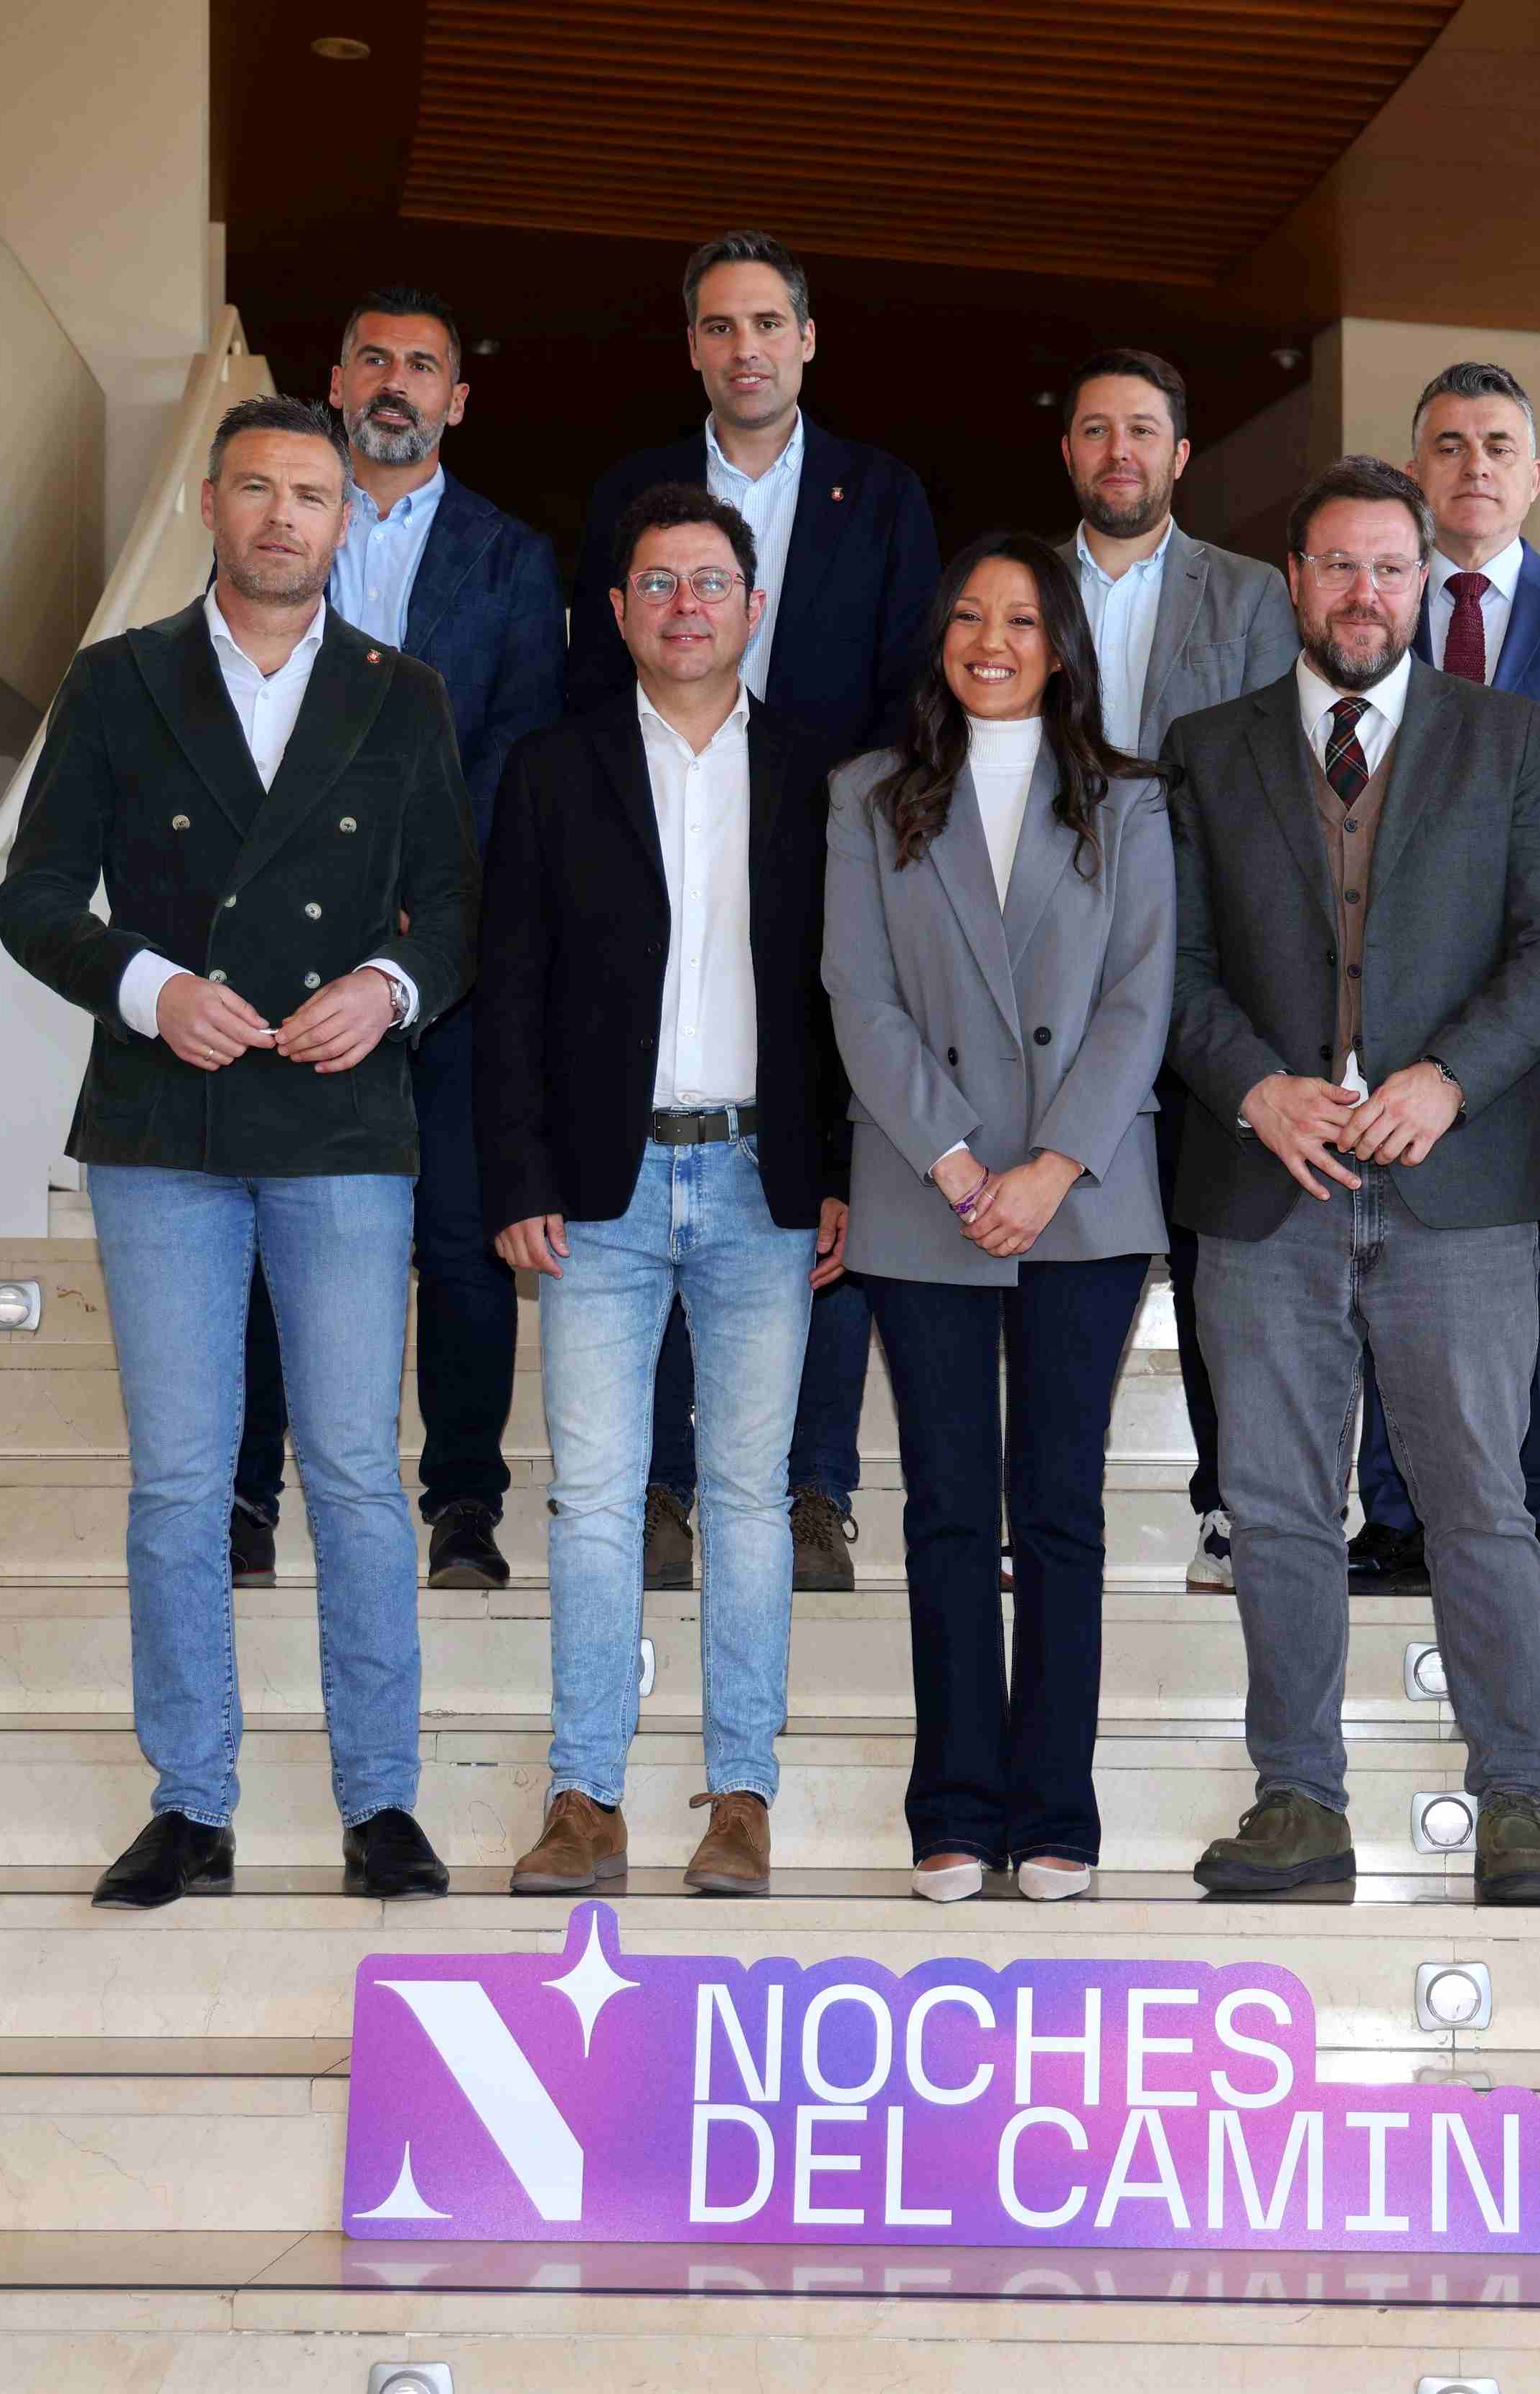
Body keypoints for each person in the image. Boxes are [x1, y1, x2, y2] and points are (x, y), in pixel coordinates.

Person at [0, 393, 474, 1909]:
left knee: (351, 1474)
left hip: (337, 1122)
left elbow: (454, 910)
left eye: (312, 495)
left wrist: (385, 991)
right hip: (164, 1122)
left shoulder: (407, 697)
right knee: (181, 1482)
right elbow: (37, 894)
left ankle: (378, 1805)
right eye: (256, 488)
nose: (282, 516)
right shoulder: (119, 682)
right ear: (209, 505)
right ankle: (191, 1801)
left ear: (348, 522)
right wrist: (151, 986)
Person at [1164, 456, 1540, 1904]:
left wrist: (1447, 1079)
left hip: (1453, 1187)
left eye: (1391, 568)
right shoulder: (1206, 749)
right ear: (1293, 580)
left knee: (1479, 1500)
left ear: (1429, 580)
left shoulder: (1507, 735)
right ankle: (1296, 1801)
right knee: (1279, 1506)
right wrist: (1248, 1084)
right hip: (1264, 1185)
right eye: (1337, 566)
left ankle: (1514, 1807)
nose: (1365, 594)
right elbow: (1169, 966)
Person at [478, 484, 850, 1900]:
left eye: (712, 582)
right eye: (658, 584)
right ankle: (584, 1798)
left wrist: (846, 1177)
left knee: (750, 1501)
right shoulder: (548, 771)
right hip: (598, 1189)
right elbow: (507, 990)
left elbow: (849, 1000)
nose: (686, 605)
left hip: (766, 1180)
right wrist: (516, 1171)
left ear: (753, 609)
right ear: (617, 612)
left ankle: (738, 1797)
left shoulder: (826, 777)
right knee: (590, 1500)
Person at [565, 230, 938, 1600]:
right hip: (661, 855)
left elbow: (917, 693)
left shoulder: (884, 495)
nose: (746, 348)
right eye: (719, 327)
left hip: (829, 858)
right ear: (693, 349)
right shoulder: (630, 490)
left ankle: (815, 1490)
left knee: (813, 1171)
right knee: (657, 1150)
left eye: (768, 323)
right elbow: (585, 691)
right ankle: (665, 1484)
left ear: (808, 338)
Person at [826, 532, 1174, 1904]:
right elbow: (858, 994)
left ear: (1061, 645)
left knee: (1064, 1510)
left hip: (1083, 1199)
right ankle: (955, 1805)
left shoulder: (1130, 803)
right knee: (950, 1510)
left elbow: (1141, 999)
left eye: (1022, 620)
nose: (993, 640)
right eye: (969, 616)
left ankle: (1060, 1810)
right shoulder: (870, 795)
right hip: (929, 1197)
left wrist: (1049, 1169)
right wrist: (961, 1162)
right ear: (939, 640)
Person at [228, 285, 562, 1596]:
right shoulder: (273, 537)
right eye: (374, 357)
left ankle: (465, 1509)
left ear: (457, 398)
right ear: (337, 375)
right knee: (269, 1232)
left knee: (462, 1238)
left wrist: (424, 913)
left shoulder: (513, 559)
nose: (397, 382)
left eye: (425, 364)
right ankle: (249, 1496)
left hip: (444, 955)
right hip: (274, 962)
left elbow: (515, 746)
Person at [1346, 362, 1540, 1602]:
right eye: (1447, 445)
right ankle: (1396, 1516)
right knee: (1378, 1262)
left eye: (1497, 446)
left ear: (1534, 477)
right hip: (1380, 1013)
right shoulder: (1367, 614)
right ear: (1415, 473)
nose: (1473, 465)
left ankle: (1538, 1513)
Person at [1053, 345, 1299, 1595]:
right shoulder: (1017, 588)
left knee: (1212, 1238)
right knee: (1058, 1237)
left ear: (1180, 456)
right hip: (1044, 953)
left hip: (1205, 944)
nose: (1119, 452)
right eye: (1096, 430)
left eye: (1142, 430)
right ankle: (1039, 1501)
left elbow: (1271, 780)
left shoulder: (1255, 596)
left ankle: (1229, 1502)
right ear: (1070, 453)